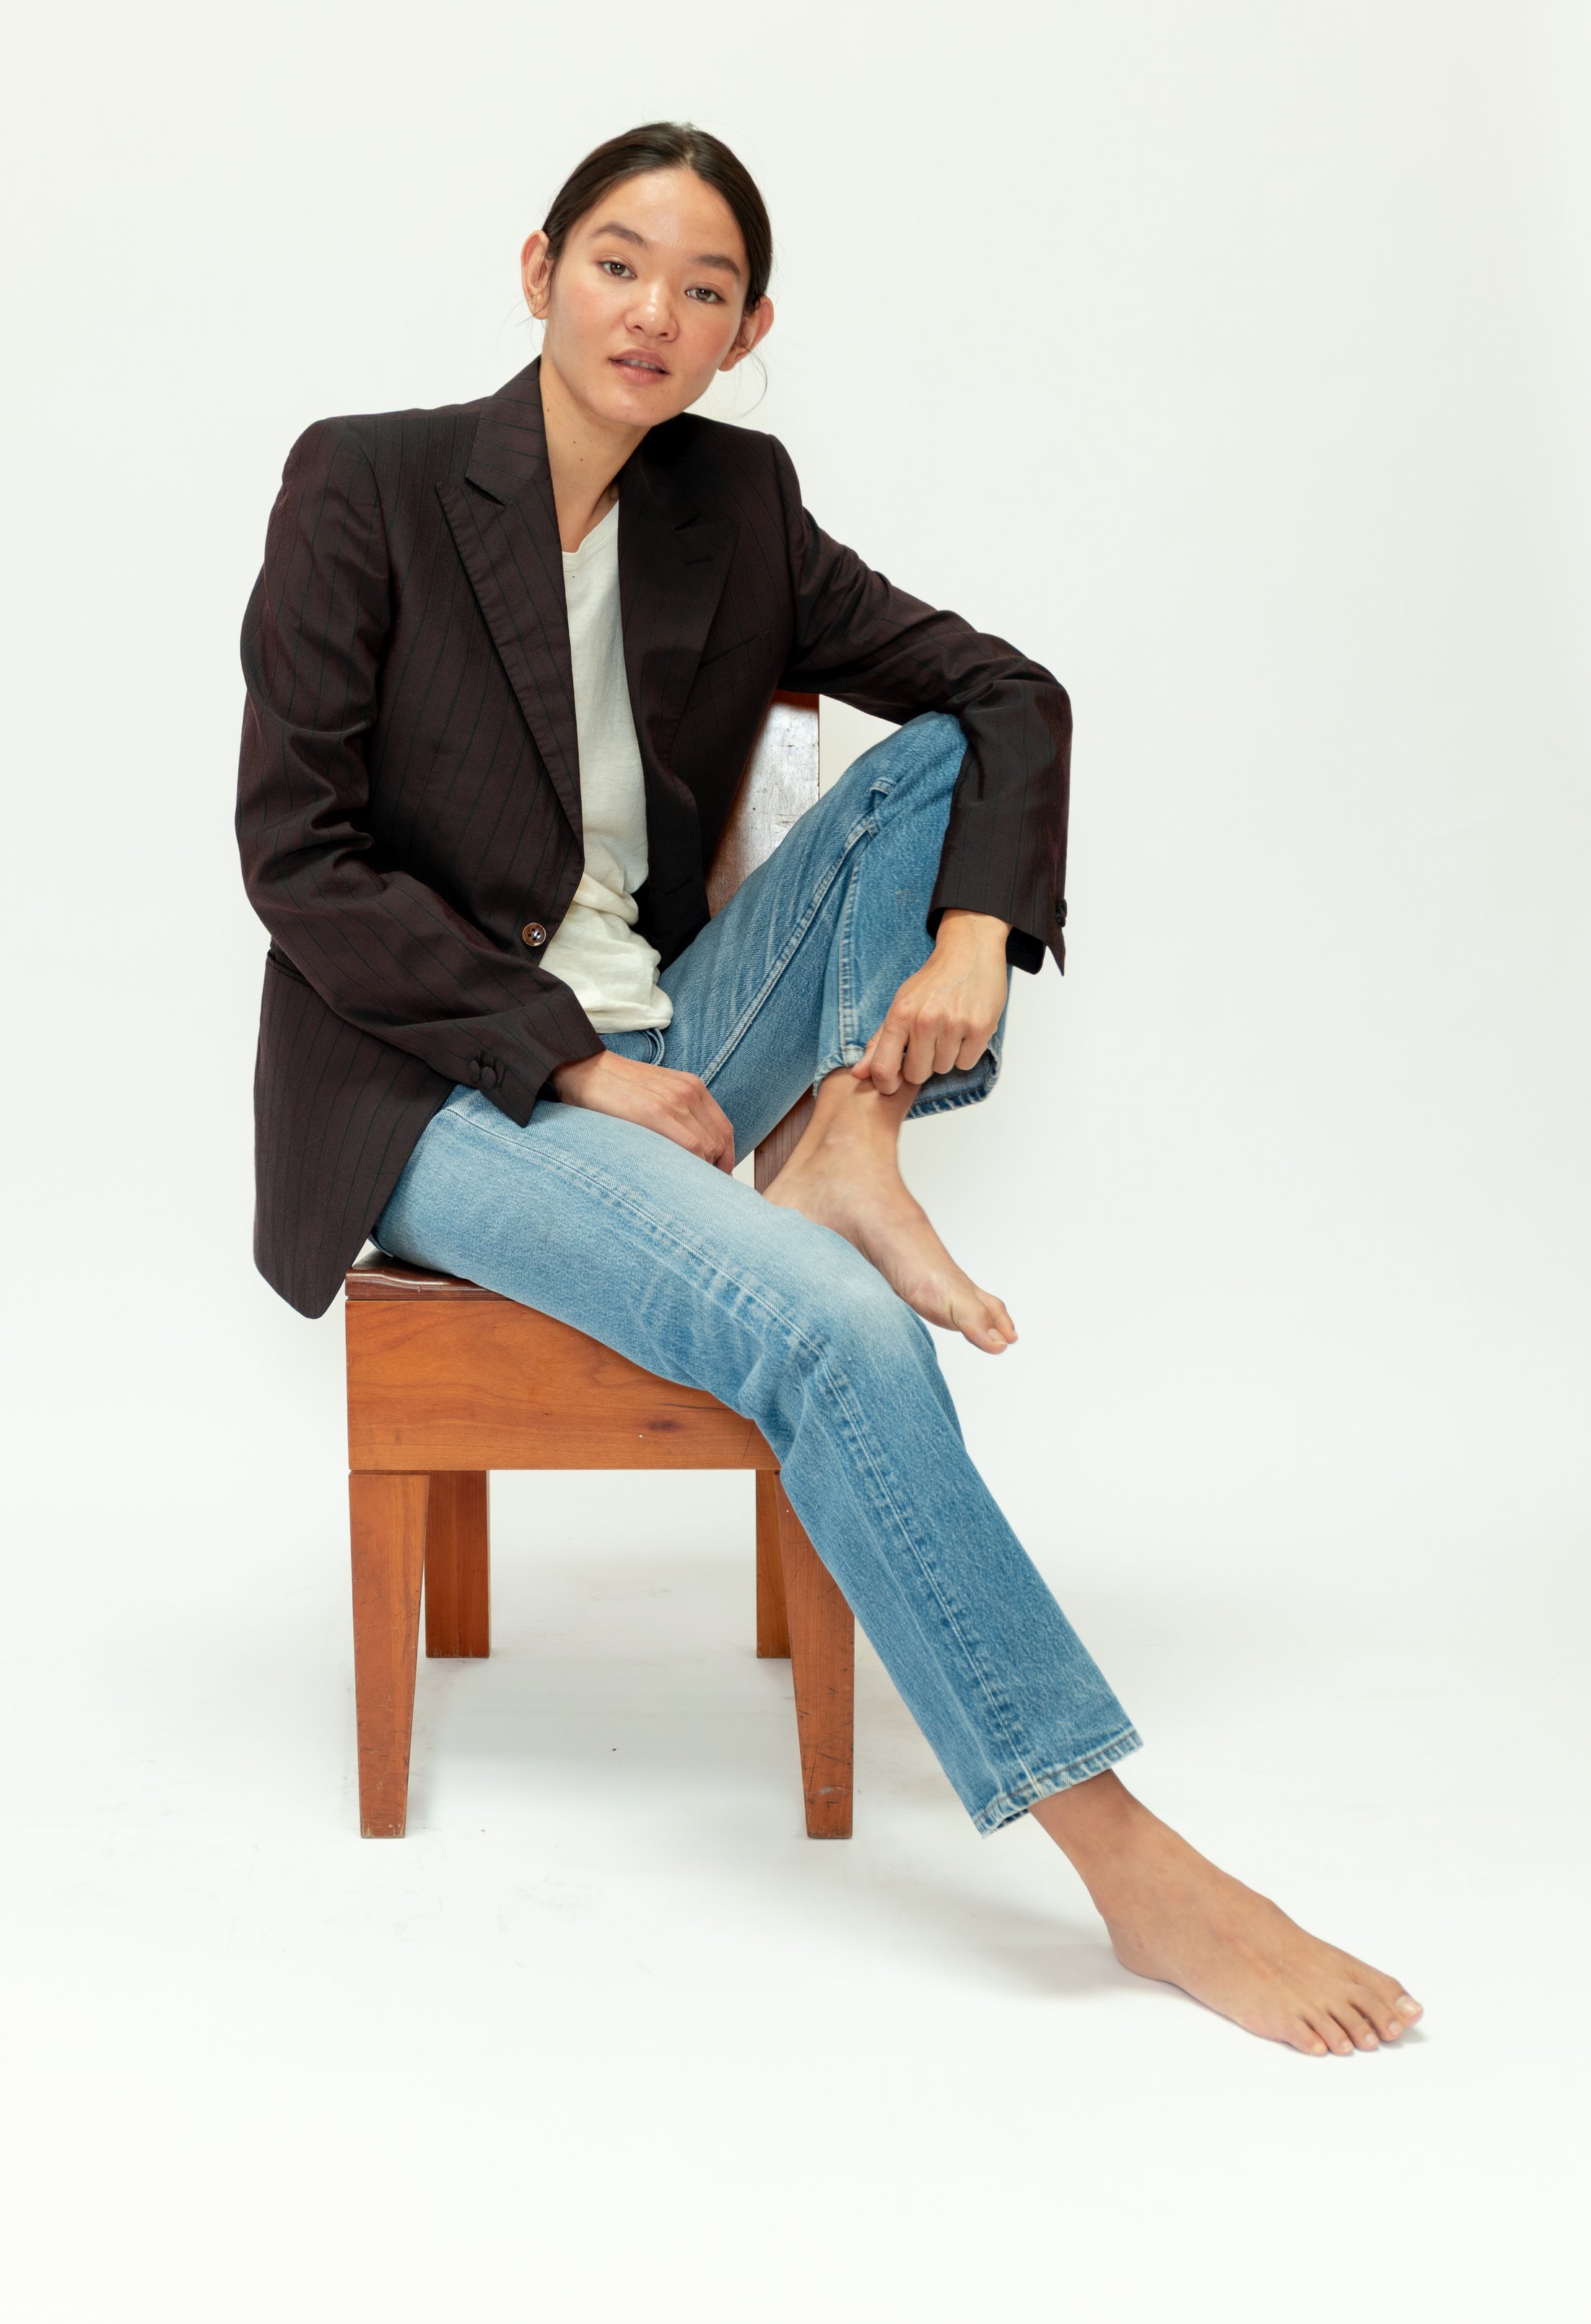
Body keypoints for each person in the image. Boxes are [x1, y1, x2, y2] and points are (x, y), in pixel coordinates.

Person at [237, 121, 1421, 2057]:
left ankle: (848, 1140)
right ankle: (1127, 1864)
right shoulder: (364, 485)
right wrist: (568, 1062)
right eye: (619, 263)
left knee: (944, 762)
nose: (655, 312)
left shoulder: (733, 505)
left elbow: (1006, 698)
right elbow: (299, 855)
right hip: (442, 1088)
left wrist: (966, 950)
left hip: (685, 1034)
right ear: (534, 268)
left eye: (704, 288)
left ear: (748, 327)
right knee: (838, 1335)